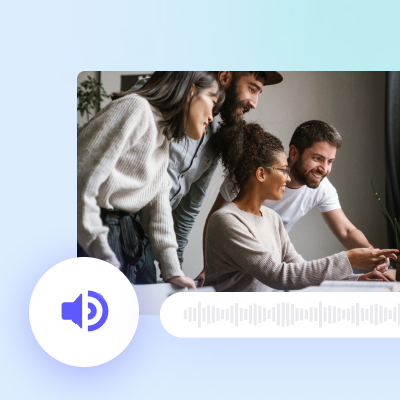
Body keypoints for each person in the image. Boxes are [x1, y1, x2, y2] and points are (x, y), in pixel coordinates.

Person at [204, 121, 398, 292]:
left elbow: (300, 269)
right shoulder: (226, 219)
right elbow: (278, 275)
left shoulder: (272, 218)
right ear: (261, 174)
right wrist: (348, 260)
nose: (287, 177)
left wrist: (357, 280)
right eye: (282, 170)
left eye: (330, 161)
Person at [131, 71, 283, 281]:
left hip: (148, 240)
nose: (254, 103)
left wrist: (176, 271)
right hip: (114, 225)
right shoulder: (162, 92)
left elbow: (187, 210)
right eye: (252, 89)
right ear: (225, 77)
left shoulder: (214, 136)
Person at [77, 71, 224, 288]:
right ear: (191, 90)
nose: (212, 116)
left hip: (124, 240)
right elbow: (81, 178)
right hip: (91, 236)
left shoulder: (162, 139)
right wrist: (98, 248)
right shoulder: (136, 108)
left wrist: (172, 271)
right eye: (212, 101)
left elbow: (159, 209)